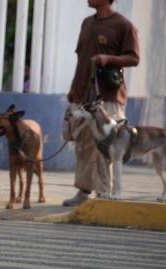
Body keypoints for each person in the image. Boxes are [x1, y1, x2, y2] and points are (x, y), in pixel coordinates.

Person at [62, 0, 140, 206]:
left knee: (105, 147)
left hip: (108, 96)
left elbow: (134, 58)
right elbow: (81, 59)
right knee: (82, 144)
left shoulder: (124, 25)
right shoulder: (87, 23)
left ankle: (105, 192)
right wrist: (73, 88)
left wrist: (109, 58)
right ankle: (84, 191)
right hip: (83, 94)